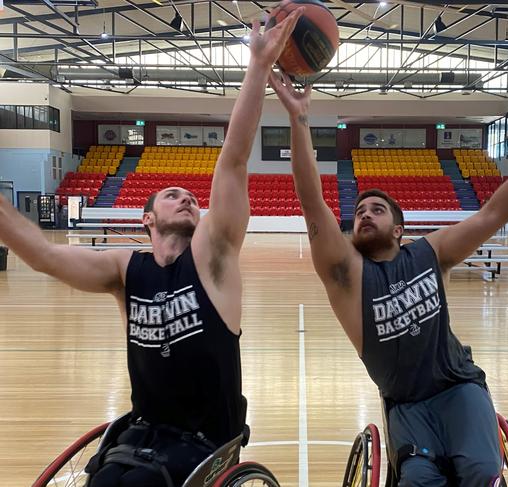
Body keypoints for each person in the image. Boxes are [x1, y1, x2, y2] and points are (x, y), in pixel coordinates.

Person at [0, 10, 302, 487]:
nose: (186, 197)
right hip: (144, 436)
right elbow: (44, 255)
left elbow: (233, 162)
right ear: (147, 219)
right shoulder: (126, 269)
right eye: (171, 195)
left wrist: (258, 66)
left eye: (191, 197)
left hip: (205, 443)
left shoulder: (211, 259)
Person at [268, 72, 508, 487]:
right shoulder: (346, 277)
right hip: (407, 406)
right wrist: (299, 121)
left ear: (399, 230)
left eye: (377, 210)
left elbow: (492, 214)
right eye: (361, 211)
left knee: (480, 474)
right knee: (418, 483)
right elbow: (311, 198)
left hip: (459, 388)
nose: (366, 214)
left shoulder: (429, 253)